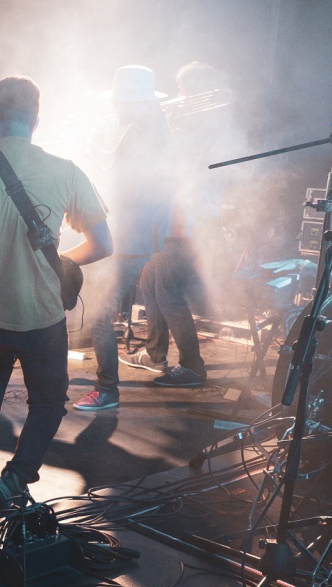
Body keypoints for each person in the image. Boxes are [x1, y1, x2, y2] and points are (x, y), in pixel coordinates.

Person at [0, 76, 112, 507]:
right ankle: (17, 476)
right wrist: (60, 261)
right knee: (48, 401)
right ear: (36, 120)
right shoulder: (67, 171)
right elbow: (104, 244)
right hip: (40, 315)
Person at [121, 61, 231, 388]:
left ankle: (193, 367)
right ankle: (155, 354)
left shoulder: (200, 131)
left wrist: (169, 126)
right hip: (169, 221)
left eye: (182, 90)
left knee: (167, 290)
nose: (178, 97)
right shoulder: (191, 128)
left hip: (184, 224)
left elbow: (179, 170)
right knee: (148, 281)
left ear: (194, 91)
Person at [73, 65, 173, 411]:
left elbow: (125, 184)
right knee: (110, 307)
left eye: (118, 100)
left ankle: (107, 390)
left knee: (99, 313)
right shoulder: (149, 128)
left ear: (132, 101)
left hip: (131, 237)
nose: (114, 106)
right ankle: (116, 381)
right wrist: (95, 152)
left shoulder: (142, 133)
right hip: (140, 235)